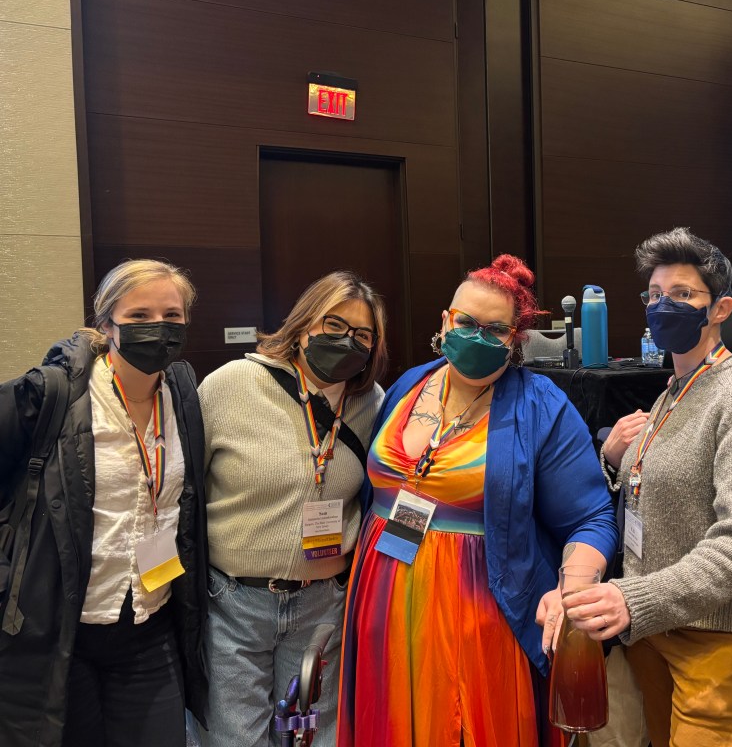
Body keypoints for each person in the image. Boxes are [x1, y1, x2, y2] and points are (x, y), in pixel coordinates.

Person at [337, 254, 618, 747]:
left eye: (495, 329)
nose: (476, 336)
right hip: (381, 601)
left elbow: (592, 518)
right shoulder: (409, 385)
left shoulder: (542, 405)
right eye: (465, 322)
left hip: (481, 612)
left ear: (516, 340)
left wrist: (572, 593)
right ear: (445, 321)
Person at [573, 227, 732, 747]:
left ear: (720, 309)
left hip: (720, 639)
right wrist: (612, 461)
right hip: (656, 629)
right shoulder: (674, 389)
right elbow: (649, 486)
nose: (663, 306)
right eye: (654, 296)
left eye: (682, 295)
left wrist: (634, 599)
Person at [0, 259, 208, 747]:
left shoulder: (182, 392)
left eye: (171, 316)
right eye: (138, 316)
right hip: (59, 635)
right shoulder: (51, 394)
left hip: (149, 626)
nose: (157, 328)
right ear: (106, 323)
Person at [198, 271, 387, 746]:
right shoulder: (231, 384)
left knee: (313, 738)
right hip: (235, 603)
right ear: (303, 326)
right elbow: (185, 489)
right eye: (335, 326)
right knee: (233, 737)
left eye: (362, 335)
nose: (348, 341)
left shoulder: (373, 404)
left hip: (322, 604)